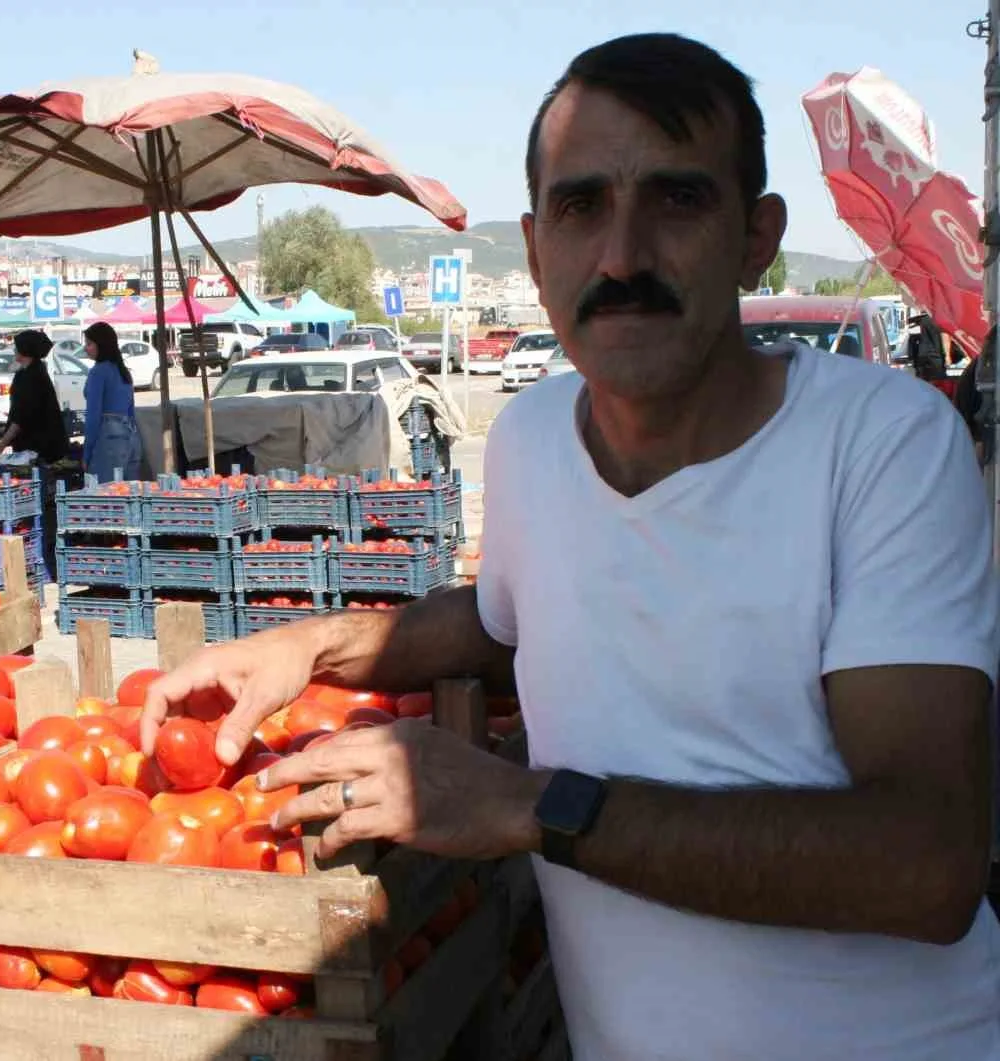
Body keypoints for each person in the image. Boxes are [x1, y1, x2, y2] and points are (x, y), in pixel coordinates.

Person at [141, 33, 1000, 1061]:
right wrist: (306, 649)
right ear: (536, 248)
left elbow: (927, 865)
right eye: (580, 206)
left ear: (755, 238)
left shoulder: (882, 442)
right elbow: (505, 620)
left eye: (677, 200)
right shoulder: (531, 437)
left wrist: (525, 804)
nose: (622, 257)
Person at [0, 329, 68, 463]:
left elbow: (20, 418)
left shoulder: (30, 377)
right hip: (42, 445)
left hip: (37, 448)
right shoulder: (34, 371)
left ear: (25, 350)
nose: (14, 349)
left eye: (17, 346)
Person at [81, 321, 143, 481]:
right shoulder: (124, 372)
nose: (85, 348)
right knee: (128, 495)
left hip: (108, 437)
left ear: (100, 345)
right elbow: (131, 411)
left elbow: (93, 415)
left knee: (105, 497)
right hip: (131, 437)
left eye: (89, 343)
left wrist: (86, 452)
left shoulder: (98, 372)